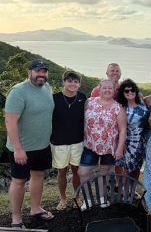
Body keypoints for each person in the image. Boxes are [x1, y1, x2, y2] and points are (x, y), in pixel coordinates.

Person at [5, 60, 55, 228]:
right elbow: (10, 122)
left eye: (44, 72)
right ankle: (16, 219)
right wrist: (18, 148)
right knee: (19, 181)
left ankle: (35, 208)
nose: (41, 75)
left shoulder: (47, 88)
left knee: (38, 175)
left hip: (42, 145)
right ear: (29, 72)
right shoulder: (18, 92)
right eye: (37, 71)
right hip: (22, 148)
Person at [78, 79, 127, 210]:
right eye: (104, 88)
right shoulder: (89, 102)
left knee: (103, 173)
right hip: (90, 145)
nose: (107, 90)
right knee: (83, 172)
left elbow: (122, 130)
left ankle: (102, 198)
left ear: (114, 90)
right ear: (99, 89)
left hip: (109, 146)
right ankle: (87, 199)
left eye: (110, 88)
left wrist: (120, 148)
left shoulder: (118, 108)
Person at [51, 71, 87, 211]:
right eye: (69, 81)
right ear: (64, 82)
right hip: (59, 142)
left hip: (78, 141)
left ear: (79, 84)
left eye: (76, 81)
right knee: (61, 172)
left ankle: (77, 197)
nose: (73, 84)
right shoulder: (54, 98)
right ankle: (63, 198)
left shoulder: (83, 97)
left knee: (76, 171)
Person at [115, 79, 149, 180]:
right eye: (126, 91)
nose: (130, 92)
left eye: (132, 90)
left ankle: (132, 191)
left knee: (137, 167)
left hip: (141, 142)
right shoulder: (121, 108)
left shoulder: (142, 103)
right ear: (123, 93)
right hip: (128, 142)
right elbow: (118, 127)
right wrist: (122, 144)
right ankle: (125, 192)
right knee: (127, 168)